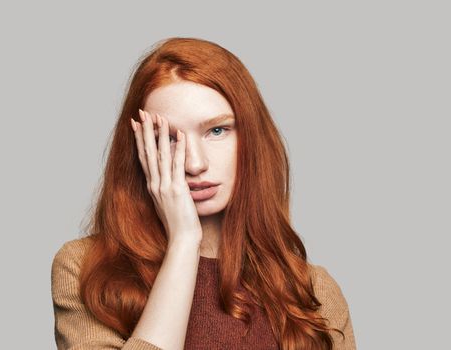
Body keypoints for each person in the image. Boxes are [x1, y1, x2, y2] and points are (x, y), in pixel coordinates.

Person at [50, 37, 357, 350]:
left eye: (217, 131)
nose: (195, 164)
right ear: (138, 148)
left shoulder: (312, 290)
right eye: (168, 138)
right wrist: (183, 242)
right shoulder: (86, 269)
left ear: (251, 139)